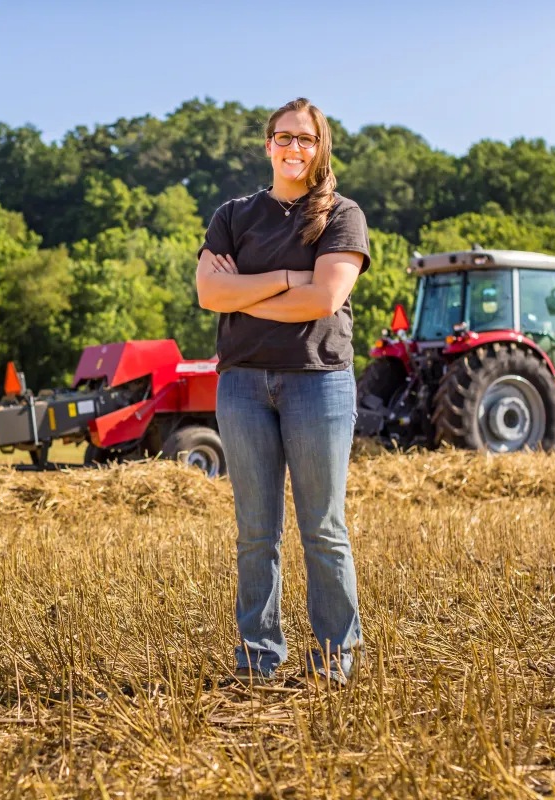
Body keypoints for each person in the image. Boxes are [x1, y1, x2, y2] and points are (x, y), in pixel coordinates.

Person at [196, 97, 370, 686]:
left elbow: (324, 300)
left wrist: (243, 289)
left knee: (322, 527)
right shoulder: (233, 215)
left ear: (320, 148)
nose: (294, 148)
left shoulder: (342, 215)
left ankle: (334, 659)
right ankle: (259, 658)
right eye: (284, 137)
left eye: (306, 139)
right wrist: (285, 278)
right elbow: (208, 295)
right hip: (242, 383)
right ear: (267, 144)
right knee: (255, 532)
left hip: (317, 382)